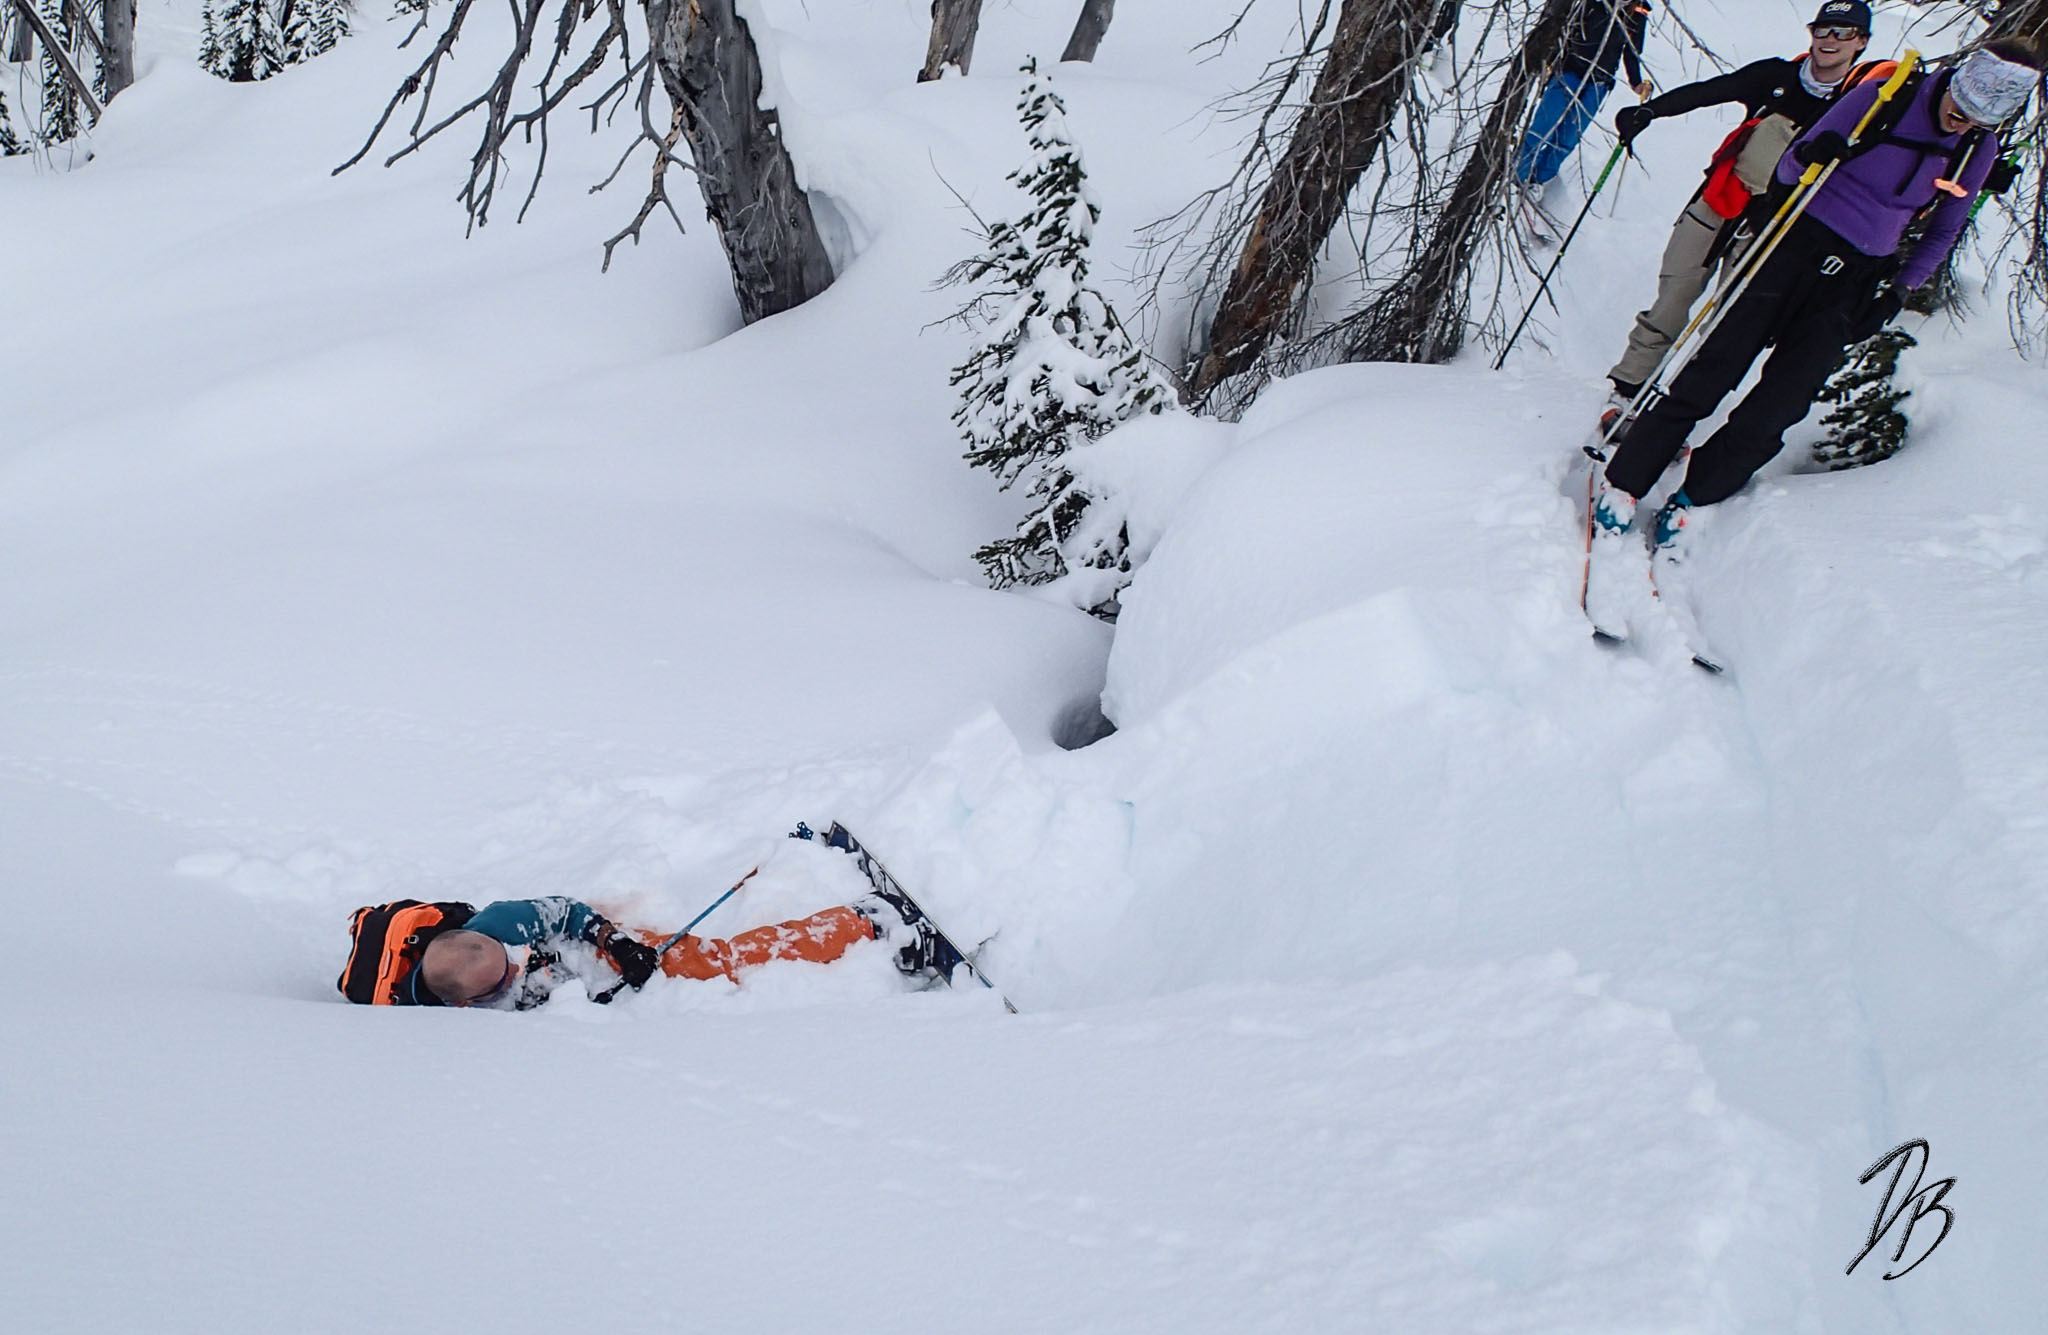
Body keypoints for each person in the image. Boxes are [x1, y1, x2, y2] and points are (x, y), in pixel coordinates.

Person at [1595, 40, 2041, 548]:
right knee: (1711, 371)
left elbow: (1943, 231)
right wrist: (1814, 152)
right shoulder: (1883, 98)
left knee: (1781, 405)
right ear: (1956, 82)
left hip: (1855, 279)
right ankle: (1625, 482)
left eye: (1979, 120)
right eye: (1962, 110)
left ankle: (1697, 497)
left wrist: (1898, 292)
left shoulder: (1975, 148)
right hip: (1791, 248)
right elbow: (1788, 167)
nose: (1962, 124)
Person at [1600, 2, 1886, 426]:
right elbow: (1711, 91)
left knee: (1726, 320)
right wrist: (1651, 110)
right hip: (1720, 198)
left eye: (1843, 33)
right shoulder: (1777, 75)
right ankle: (1628, 388)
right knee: (1674, 296)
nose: (1830, 40)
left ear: (1861, 42)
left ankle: (1672, 412)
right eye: (1822, 29)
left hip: (1775, 225)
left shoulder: (1861, 103)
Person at [338, 879, 951, 1009]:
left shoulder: (500, 924)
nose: (514, 972)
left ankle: (865, 922)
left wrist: (617, 944)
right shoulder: (421, 1018)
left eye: (511, 962)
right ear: (463, 1003)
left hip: (587, 947)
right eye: (503, 981)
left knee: (709, 964)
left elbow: (566, 912)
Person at [1515, 0, 1654, 201]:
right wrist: (1551, 61)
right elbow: (1566, 31)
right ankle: (1518, 175)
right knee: (1543, 126)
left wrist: (1637, 83)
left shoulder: (1637, 15)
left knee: (1568, 137)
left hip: (1599, 82)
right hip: (1569, 70)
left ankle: (1539, 179)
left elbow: (1631, 52)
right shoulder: (1594, 3)